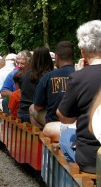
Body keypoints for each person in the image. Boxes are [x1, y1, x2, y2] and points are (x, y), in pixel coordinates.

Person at [57, 20, 101, 174]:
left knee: (66, 135)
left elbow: (65, 118)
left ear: (83, 51)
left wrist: (79, 73)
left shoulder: (78, 77)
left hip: (92, 160)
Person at [30, 41, 75, 130]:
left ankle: (41, 137)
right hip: (77, 123)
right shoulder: (82, 74)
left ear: (57, 57)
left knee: (31, 108)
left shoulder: (48, 77)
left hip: (55, 123)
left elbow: (37, 106)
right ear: (73, 56)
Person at [18, 46, 53, 123]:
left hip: (22, 113)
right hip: (34, 114)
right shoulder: (48, 76)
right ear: (48, 59)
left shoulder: (25, 74)